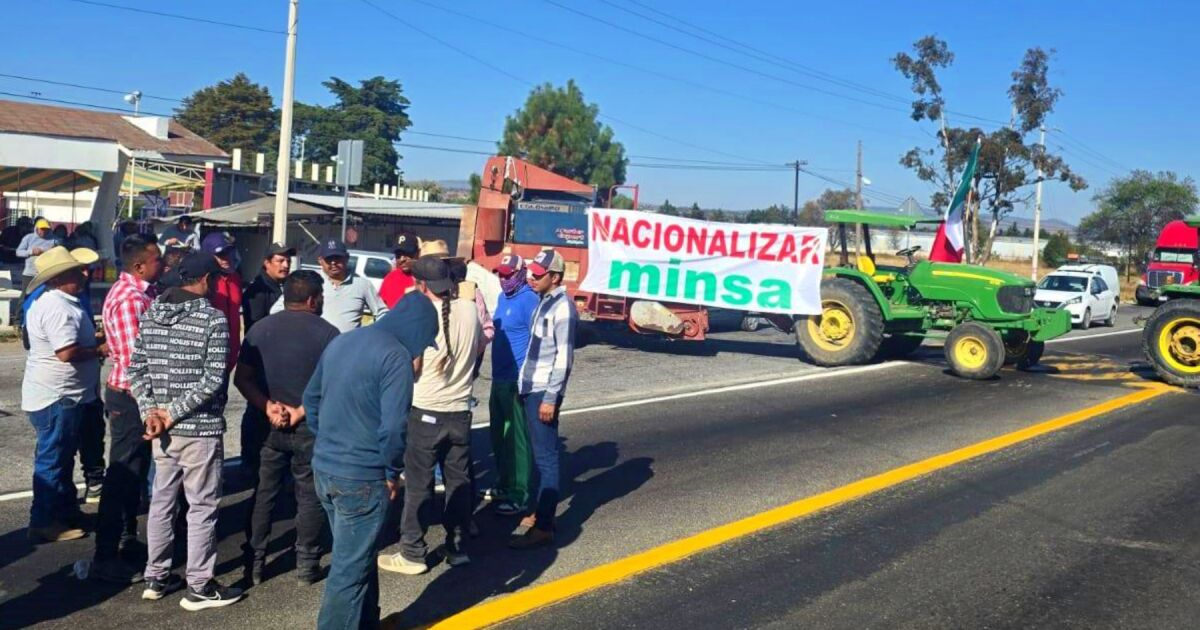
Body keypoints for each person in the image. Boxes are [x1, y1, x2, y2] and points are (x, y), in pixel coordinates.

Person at [303, 265, 437, 629]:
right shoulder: (395, 357)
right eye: (425, 342)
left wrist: (328, 442)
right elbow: (393, 429)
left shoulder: (344, 340)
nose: (422, 351)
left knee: (358, 557)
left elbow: (311, 399)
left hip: (326, 469)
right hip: (362, 478)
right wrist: (391, 472)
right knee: (348, 572)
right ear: (417, 331)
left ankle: (367, 623)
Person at [128, 251, 243, 610]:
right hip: (199, 427)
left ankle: (156, 575)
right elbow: (213, 379)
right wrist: (171, 413)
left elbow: (137, 370)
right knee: (202, 506)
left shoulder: (152, 313)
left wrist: (152, 413)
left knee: (162, 502)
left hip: (162, 430)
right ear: (206, 280)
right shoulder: (213, 319)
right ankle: (200, 585)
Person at [378, 256, 483, 575]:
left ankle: (413, 551)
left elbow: (414, 366)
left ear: (421, 285)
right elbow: (477, 350)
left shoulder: (422, 316)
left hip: (426, 410)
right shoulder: (470, 309)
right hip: (460, 411)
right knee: (458, 482)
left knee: (419, 484)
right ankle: (457, 546)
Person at [236, 270, 339, 587]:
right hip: (308, 427)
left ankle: (254, 562)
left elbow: (242, 378)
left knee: (264, 492)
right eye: (320, 297)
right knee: (309, 494)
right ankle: (306, 564)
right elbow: (333, 385)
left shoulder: (259, 329)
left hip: (267, 424)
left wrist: (268, 406)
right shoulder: (329, 334)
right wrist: (300, 411)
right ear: (312, 299)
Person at [21, 246, 106, 543]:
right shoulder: (58, 306)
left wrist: (91, 340)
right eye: (75, 271)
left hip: (62, 394)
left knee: (63, 458)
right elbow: (66, 352)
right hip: (58, 395)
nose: (83, 274)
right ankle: (42, 521)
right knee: (53, 460)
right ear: (58, 278)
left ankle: (64, 512)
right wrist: (98, 349)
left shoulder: (58, 301)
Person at [91, 235, 162, 583]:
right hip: (131, 396)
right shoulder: (130, 299)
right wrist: (151, 405)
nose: (161, 265)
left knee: (135, 471)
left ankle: (126, 539)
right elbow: (138, 361)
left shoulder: (142, 292)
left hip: (134, 395)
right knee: (121, 474)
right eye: (156, 260)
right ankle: (105, 554)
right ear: (139, 265)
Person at [511, 249, 578, 549]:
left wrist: (551, 398)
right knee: (540, 457)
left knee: (547, 459)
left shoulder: (563, 308)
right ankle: (542, 510)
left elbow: (563, 359)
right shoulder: (544, 301)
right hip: (531, 387)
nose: (531, 277)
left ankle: (545, 527)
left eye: (538, 274)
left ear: (556, 277)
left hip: (542, 392)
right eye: (531, 272)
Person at [486, 254, 539, 516]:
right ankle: (504, 482)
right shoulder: (501, 298)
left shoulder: (529, 299)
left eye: (508, 274)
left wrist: (527, 378)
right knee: (499, 435)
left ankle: (520, 492)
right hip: (498, 377)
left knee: (517, 439)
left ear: (520, 273)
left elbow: (538, 340)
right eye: (500, 274)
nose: (503, 278)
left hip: (516, 379)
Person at [238, 242, 295, 481]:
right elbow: (257, 328)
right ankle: (250, 461)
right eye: (280, 260)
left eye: (287, 261)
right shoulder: (258, 291)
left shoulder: (287, 287)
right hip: (261, 359)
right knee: (257, 409)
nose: (285, 265)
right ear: (266, 263)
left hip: (284, 361)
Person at [271, 238, 387, 333]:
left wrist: (371, 334)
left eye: (337, 258)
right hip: (315, 346)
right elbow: (276, 311)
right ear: (320, 260)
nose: (333, 263)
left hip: (346, 349)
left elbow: (382, 313)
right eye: (329, 259)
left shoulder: (362, 284)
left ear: (346, 258)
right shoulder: (309, 281)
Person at [202, 231, 244, 368]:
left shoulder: (235, 278)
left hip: (230, 354)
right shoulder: (202, 282)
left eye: (228, 253)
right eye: (220, 255)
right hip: (208, 356)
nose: (226, 258)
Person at [378, 230, 419, 309]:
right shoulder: (390, 278)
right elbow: (381, 309)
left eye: (407, 254)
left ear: (416, 253)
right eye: (398, 255)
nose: (402, 259)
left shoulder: (425, 278)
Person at [16, 218, 61, 286]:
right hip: (30, 274)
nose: (44, 231)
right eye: (42, 229)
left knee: (44, 296)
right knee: (26, 295)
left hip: (46, 274)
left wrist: (45, 251)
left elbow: (59, 253)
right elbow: (18, 252)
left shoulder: (55, 240)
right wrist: (31, 252)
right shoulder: (28, 238)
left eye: (46, 229)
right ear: (36, 228)